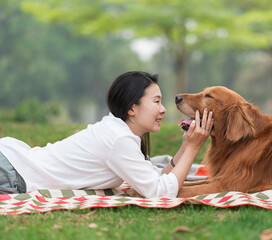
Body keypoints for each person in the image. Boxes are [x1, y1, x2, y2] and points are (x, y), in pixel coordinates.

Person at [0, 71, 213, 198]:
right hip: (12, 173)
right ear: (132, 108)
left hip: (13, 162)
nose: (163, 109)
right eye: (156, 101)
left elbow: (156, 178)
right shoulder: (119, 139)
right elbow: (160, 193)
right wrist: (194, 148)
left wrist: (186, 146)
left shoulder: (120, 132)